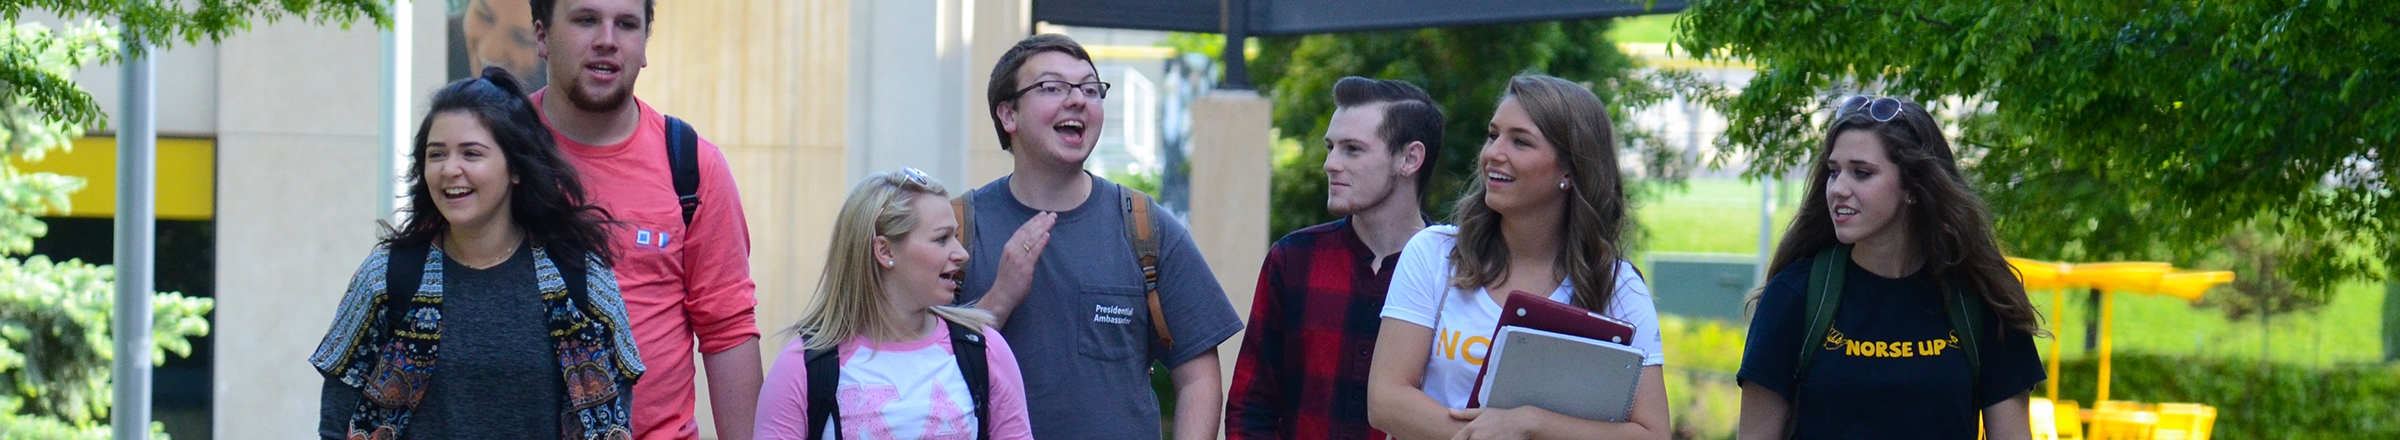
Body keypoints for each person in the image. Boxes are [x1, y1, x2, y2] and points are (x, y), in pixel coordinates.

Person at [312, 67, 644, 439]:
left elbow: (614, 421)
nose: (450, 169)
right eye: (436, 154)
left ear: (516, 168)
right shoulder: (386, 278)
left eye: (472, 154)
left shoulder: (581, 279)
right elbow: (336, 423)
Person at [955, 33, 1244, 439]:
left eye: (1090, 89)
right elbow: (916, 364)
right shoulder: (955, 230)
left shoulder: (1146, 228)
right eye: (1052, 87)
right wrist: (998, 301)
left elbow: (1198, 376)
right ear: (1008, 115)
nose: (1077, 100)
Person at [1366, 74, 1672, 440]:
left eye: (1521, 142)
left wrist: (1532, 424)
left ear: (1570, 171)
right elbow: (1386, 401)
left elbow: (1652, 433)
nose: (1494, 153)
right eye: (1493, 135)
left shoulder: (1617, 286)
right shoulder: (1435, 254)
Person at [1733, 96, 2045, 440]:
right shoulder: (1795, 297)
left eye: (1862, 173)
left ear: (1913, 187)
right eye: (1833, 172)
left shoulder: (1981, 299)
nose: (1838, 189)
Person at [530, 0, 763, 438]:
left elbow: (728, 330)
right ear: (542, 35)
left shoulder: (692, 165)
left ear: (644, 46)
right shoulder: (494, 155)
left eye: (626, 24)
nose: (607, 40)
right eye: (585, 20)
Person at [1226, 76, 1442, 440]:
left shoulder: (1457, 270)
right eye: (1330, 147)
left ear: (1410, 158)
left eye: (1352, 149)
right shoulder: (1293, 260)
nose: (1330, 163)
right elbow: (1251, 406)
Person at [754, 168, 1034, 440]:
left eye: (956, 237)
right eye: (941, 239)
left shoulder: (983, 350)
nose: (961, 253)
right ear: (885, 251)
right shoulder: (804, 365)